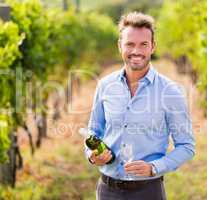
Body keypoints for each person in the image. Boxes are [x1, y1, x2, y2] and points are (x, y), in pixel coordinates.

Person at [84, 12, 195, 200]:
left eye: (143, 44)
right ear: (120, 46)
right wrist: (92, 155)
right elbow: (94, 130)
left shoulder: (170, 91)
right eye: (130, 44)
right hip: (107, 190)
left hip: (148, 191)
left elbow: (186, 146)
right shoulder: (105, 85)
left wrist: (154, 168)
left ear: (153, 46)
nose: (136, 51)